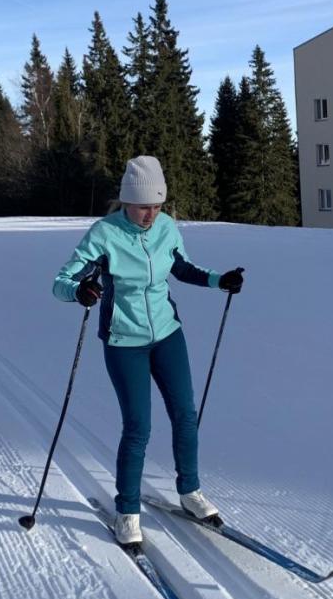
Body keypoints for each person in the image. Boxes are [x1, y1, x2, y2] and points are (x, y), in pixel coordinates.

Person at [52, 155, 244, 545]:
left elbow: (182, 267)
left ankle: (190, 491)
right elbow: (61, 282)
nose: (151, 214)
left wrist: (219, 280)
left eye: (157, 206)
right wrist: (79, 291)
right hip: (124, 342)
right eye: (144, 207)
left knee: (185, 414)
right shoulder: (104, 234)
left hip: (167, 334)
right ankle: (127, 511)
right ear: (126, 200)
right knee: (138, 427)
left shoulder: (166, 227)